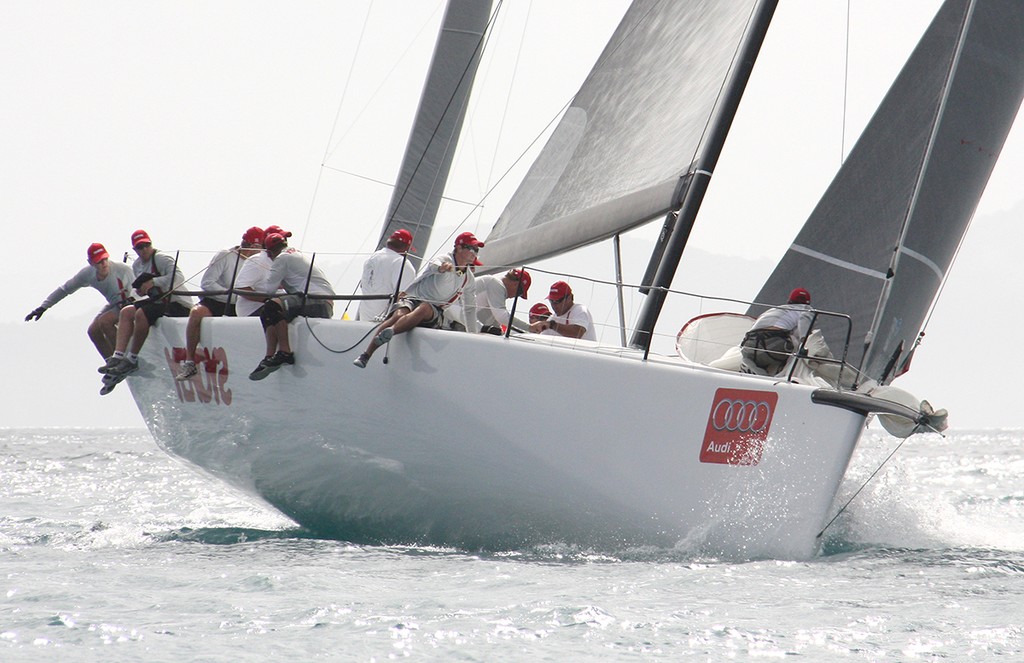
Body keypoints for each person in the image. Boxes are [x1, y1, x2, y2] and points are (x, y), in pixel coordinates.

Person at [352, 231, 482, 369]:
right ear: (459, 248)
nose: (475, 253)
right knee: (399, 313)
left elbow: (470, 308)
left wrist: (473, 335)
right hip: (413, 298)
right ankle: (365, 355)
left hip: (433, 309)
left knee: (425, 308)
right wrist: (441, 268)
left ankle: (391, 331)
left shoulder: (469, 278)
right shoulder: (445, 259)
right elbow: (434, 264)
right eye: (472, 248)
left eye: (477, 250)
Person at [98, 230, 194, 392]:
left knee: (141, 314)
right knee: (127, 312)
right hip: (157, 301)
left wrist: (154, 281)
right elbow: (139, 291)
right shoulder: (137, 265)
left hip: (177, 302)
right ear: (134, 249)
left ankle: (133, 357)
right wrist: (141, 291)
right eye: (139, 247)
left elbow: (178, 278)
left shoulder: (162, 259)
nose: (144, 250)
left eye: (146, 245)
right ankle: (118, 356)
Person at [175, 226, 265, 381]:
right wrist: (231, 295)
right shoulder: (226, 255)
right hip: (219, 299)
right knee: (196, 313)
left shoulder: (260, 261)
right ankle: (190, 362)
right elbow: (208, 283)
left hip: (243, 301)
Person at [249, 231, 336, 380]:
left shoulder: (282, 258)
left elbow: (269, 289)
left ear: (269, 253)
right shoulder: (297, 254)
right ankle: (269, 357)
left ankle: (284, 352)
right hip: (324, 302)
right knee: (268, 311)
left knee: (272, 306)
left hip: (317, 301)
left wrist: (278, 279)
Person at [25, 242, 135, 359]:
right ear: (91, 263)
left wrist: (134, 300)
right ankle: (110, 364)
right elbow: (65, 289)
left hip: (129, 303)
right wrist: (43, 307)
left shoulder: (122, 269)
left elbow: (139, 287)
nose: (103, 264)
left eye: (105, 259)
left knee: (105, 322)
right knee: (93, 331)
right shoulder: (87, 274)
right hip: (114, 304)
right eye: (99, 262)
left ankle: (120, 358)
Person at [740, 287, 815, 376]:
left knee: (751, 358)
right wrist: (803, 344)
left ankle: (755, 370)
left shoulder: (773, 310)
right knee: (793, 348)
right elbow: (804, 320)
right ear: (808, 302)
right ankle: (780, 376)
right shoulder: (806, 309)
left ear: (789, 300)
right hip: (773, 342)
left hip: (749, 343)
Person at [356, 228, 416, 322]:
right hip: (384, 323)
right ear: (406, 247)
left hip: (363, 319)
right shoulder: (402, 263)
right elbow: (405, 298)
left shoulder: (371, 258)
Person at [529, 280, 596, 341]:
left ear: (570, 298)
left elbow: (577, 333)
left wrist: (552, 325)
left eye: (557, 301)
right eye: (551, 301)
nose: (554, 305)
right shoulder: (552, 319)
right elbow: (541, 341)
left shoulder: (580, 310)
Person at [474, 268, 531, 334]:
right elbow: (502, 317)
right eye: (519, 293)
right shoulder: (495, 284)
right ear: (516, 285)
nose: (514, 297)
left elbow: (494, 323)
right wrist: (529, 328)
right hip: (461, 324)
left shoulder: (494, 295)